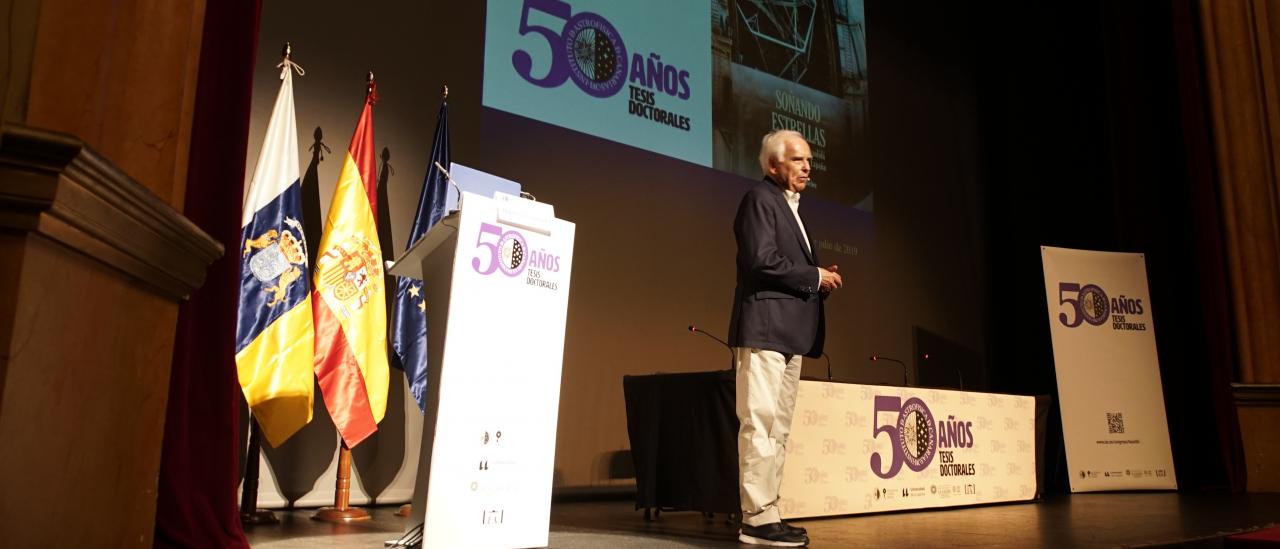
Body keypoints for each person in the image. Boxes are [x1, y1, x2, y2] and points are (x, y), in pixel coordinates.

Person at [728, 130, 841, 547]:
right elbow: (760, 261)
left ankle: (769, 510)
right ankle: (755, 517)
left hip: (789, 333)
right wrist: (813, 275)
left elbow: (783, 263)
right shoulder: (760, 199)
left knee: (778, 429)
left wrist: (817, 279)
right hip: (764, 328)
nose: (807, 167)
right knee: (758, 424)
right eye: (797, 160)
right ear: (773, 165)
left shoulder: (789, 206)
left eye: (809, 159)